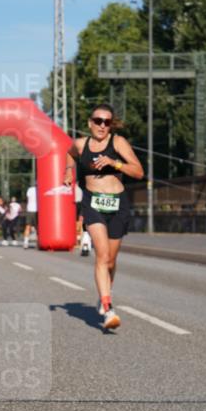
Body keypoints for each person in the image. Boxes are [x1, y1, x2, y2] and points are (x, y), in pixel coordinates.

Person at [64, 104, 143, 330]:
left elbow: (138, 172)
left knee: (111, 261)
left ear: (111, 125)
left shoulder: (118, 142)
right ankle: (108, 309)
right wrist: (68, 171)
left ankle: (104, 294)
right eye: (98, 121)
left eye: (107, 122)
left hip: (118, 204)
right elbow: (69, 154)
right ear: (90, 122)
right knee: (102, 255)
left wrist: (114, 162)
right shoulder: (81, 144)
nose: (102, 126)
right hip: (93, 203)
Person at [23, 184, 38, 249]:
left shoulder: (30, 189)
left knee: (28, 226)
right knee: (38, 228)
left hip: (30, 209)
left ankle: (25, 242)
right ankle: (38, 242)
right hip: (37, 210)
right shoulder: (41, 189)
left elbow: (27, 198)